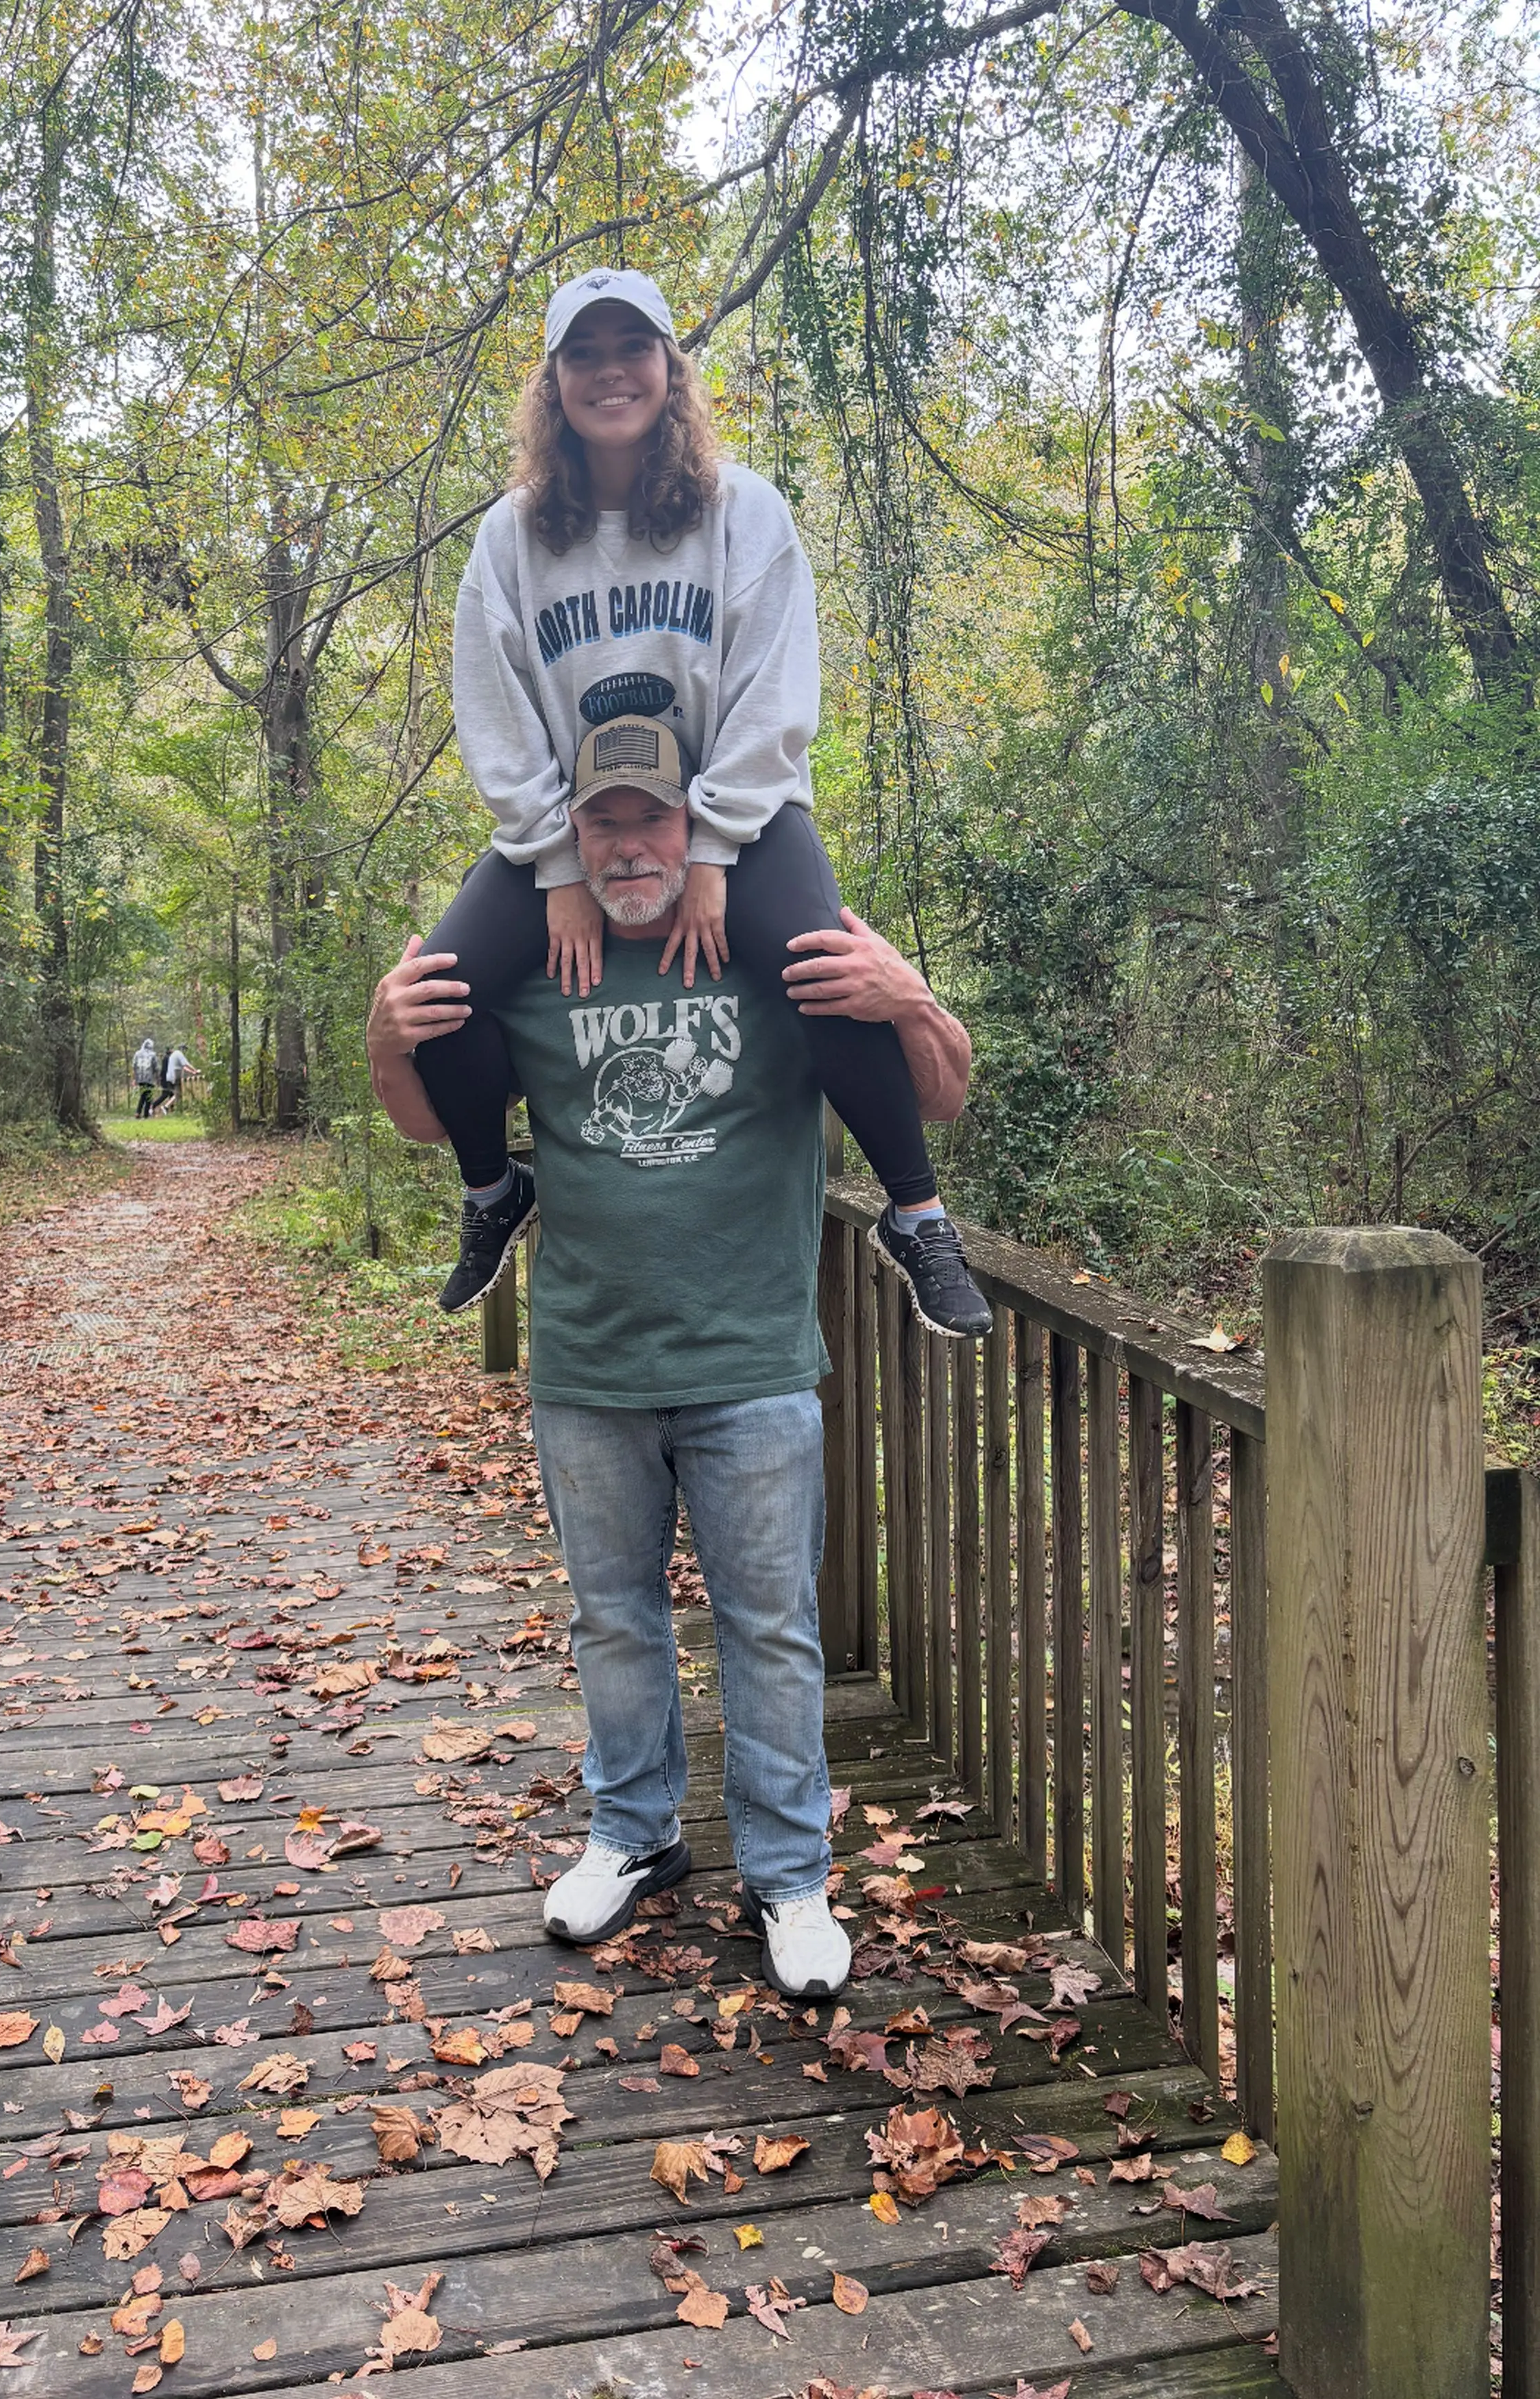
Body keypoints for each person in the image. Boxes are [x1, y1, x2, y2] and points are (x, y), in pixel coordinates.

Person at [366, 746, 973, 2000]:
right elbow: (431, 1115)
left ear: (697, 828)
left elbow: (943, 1097)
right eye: (606, 826)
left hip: (750, 1356)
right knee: (614, 1621)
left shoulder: (773, 956)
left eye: (654, 822)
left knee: (771, 1628)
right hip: (589, 1361)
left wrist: (911, 997)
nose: (630, 847)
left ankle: (791, 1877)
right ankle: (632, 1838)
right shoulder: (534, 966)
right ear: (570, 840)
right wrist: (385, 1040)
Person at [413, 263, 989, 1344]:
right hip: (574, 822)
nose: (609, 372)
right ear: (553, 385)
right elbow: (494, 713)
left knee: (827, 964)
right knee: (438, 988)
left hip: (739, 812)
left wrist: (717, 848)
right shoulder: (513, 536)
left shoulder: (743, 510)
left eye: (633, 348)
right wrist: (555, 869)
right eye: (582, 354)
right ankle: (494, 1189)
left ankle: (917, 1217)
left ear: (670, 371)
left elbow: (776, 689)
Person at [132, 1036, 159, 1120]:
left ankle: (138, 1112)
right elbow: (156, 1067)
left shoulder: (137, 1054)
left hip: (140, 1078)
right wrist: (157, 1078)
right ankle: (146, 1114)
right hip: (149, 1078)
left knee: (143, 1095)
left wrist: (134, 1079)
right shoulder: (153, 1055)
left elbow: (134, 1066)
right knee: (148, 1096)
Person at [160, 1043, 193, 1115]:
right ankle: (169, 1107)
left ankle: (170, 1107)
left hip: (171, 1076)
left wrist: (192, 1071)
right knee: (179, 1093)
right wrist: (194, 1071)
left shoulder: (174, 1054)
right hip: (175, 1076)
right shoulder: (179, 1054)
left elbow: (184, 1067)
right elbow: (186, 1065)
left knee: (178, 1093)